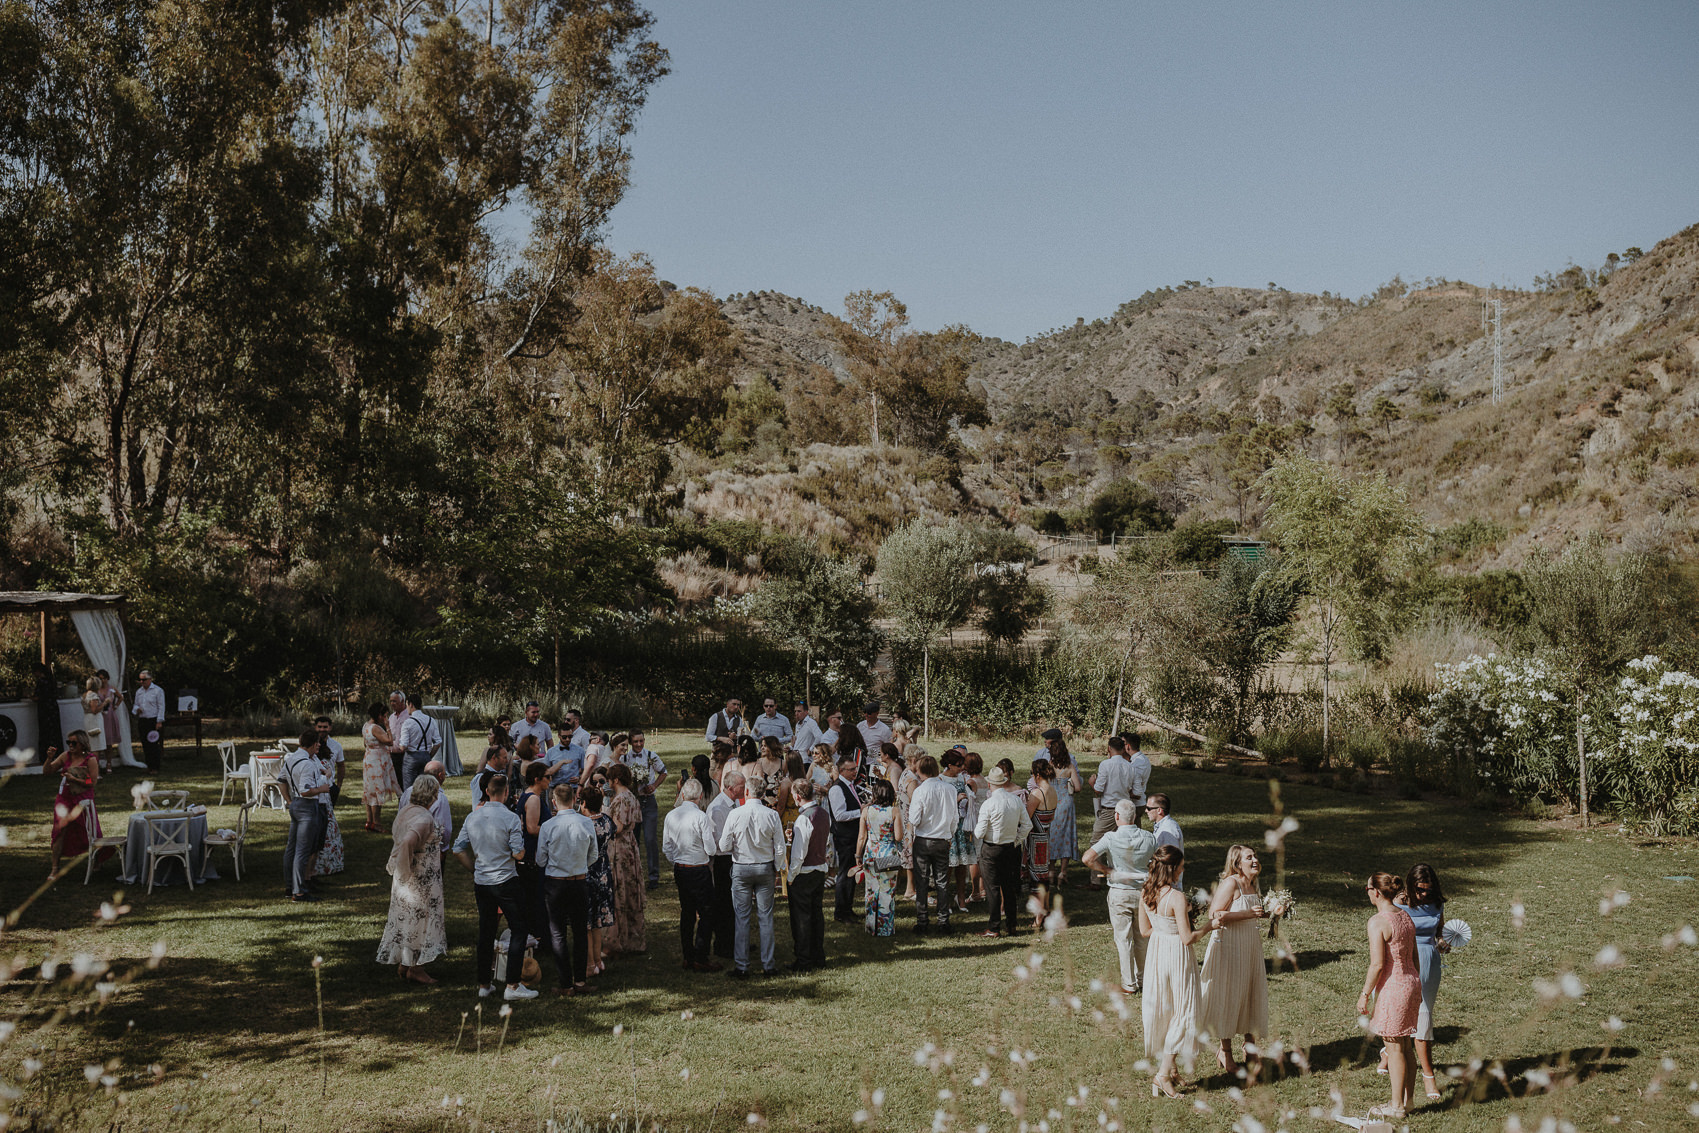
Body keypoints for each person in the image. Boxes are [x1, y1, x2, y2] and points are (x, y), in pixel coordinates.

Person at [452, 774, 537, 1001]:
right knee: (519, 929)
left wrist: (474, 869)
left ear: (487, 792)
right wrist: (512, 853)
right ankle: (513, 985)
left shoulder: (473, 817)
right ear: (506, 792)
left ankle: (484, 984)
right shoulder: (510, 819)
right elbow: (519, 853)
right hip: (506, 880)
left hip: (482, 882)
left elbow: (457, 849)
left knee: (486, 931)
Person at [1199, 845, 1270, 1077]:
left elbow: (1252, 912)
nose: (1255, 860)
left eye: (1255, 856)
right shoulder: (1231, 883)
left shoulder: (1252, 884)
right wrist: (1250, 914)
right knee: (1230, 996)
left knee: (1250, 993)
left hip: (1249, 946)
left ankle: (1250, 1049)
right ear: (1238, 864)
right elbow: (1214, 914)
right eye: (1249, 857)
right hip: (1229, 947)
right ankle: (1225, 1052)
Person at [1139, 844, 1204, 1097]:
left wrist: (1165, 931)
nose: (1183, 868)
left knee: (1168, 1009)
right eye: (1182, 865)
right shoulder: (1177, 898)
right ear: (1173, 868)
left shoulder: (1145, 892)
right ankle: (1162, 1075)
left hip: (1157, 953)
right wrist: (1210, 926)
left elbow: (1145, 931)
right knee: (1185, 1011)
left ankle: (1172, 1069)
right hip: (1177, 954)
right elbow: (1187, 938)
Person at [1358, 871, 1423, 1118]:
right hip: (1412, 982)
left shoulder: (1378, 921)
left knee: (1394, 1047)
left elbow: (1377, 965)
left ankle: (1396, 1107)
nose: (1368, 894)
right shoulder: (1405, 916)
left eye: (1367, 890)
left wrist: (1364, 994)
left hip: (1393, 987)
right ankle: (1409, 1101)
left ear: (1375, 892)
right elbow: (1415, 957)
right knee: (1406, 1046)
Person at [377, 775, 448, 986]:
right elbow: (408, 842)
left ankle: (405, 964)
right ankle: (416, 968)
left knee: (408, 920)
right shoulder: (424, 818)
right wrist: (407, 872)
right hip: (420, 879)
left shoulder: (406, 811)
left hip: (408, 879)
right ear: (433, 795)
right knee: (419, 921)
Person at [1082, 799, 1157, 994]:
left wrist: (1106, 869)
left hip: (1120, 893)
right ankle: (1145, 979)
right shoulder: (1149, 837)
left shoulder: (1110, 837)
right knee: (1142, 938)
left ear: (1116, 816)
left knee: (1124, 939)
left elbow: (1087, 858)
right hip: (1143, 892)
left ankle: (1129, 983)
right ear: (1134, 817)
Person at [718, 769, 788, 977]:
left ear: (747, 791)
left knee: (742, 917)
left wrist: (735, 847)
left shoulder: (735, 814)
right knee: (766, 917)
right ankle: (768, 964)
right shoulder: (772, 815)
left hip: (742, 866)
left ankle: (742, 965)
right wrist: (776, 866)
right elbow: (781, 847)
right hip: (764, 866)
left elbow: (723, 844)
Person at [1392, 863, 1451, 1101]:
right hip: (1406, 959)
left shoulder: (1437, 903)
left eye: (1427, 890)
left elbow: (1439, 932)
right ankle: (1391, 1051)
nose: (1423, 894)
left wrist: (1443, 942)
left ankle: (1427, 1075)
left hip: (1430, 961)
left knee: (1424, 1015)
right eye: (1419, 889)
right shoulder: (1399, 903)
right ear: (1410, 885)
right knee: (1401, 1009)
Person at [536, 783, 598, 996]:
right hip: (579, 881)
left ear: (554, 802)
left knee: (558, 933)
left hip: (556, 882)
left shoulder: (548, 826)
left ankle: (565, 983)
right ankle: (579, 981)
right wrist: (579, 865)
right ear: (574, 800)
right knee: (580, 931)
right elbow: (594, 854)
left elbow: (540, 859)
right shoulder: (586, 823)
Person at [663, 778, 721, 973]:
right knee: (707, 912)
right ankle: (700, 955)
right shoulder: (701, 817)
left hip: (681, 868)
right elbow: (711, 848)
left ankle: (688, 955)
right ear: (701, 796)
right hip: (698, 868)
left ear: (683, 795)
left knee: (687, 912)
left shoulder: (671, 815)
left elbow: (667, 847)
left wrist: (678, 861)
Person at [974, 765, 1032, 938]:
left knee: (992, 889)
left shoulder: (989, 804)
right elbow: (1027, 825)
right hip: (1011, 848)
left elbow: (979, 832)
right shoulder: (1015, 800)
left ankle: (994, 927)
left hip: (992, 848)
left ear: (990, 784)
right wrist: (1016, 839)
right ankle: (1012, 925)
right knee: (1009, 887)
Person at [45, 731, 108, 877]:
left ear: (83, 743)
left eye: (74, 743)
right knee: (59, 831)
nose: (71, 746)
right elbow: (47, 771)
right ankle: (55, 867)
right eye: (69, 742)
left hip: (83, 799)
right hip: (64, 798)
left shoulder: (90, 759)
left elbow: (91, 782)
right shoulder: (65, 756)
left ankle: (97, 859)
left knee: (90, 830)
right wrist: (49, 759)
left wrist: (73, 779)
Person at [906, 753, 956, 933]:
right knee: (942, 882)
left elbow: (914, 818)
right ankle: (943, 921)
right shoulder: (949, 790)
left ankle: (923, 921)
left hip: (924, 839)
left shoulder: (920, 791)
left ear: (921, 771)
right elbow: (954, 817)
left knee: (922, 881)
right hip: (942, 838)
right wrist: (949, 834)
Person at [280, 732, 332, 902]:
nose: (319, 746)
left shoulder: (290, 759)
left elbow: (281, 780)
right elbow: (305, 790)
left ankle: (290, 886)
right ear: (311, 744)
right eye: (317, 743)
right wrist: (322, 789)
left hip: (295, 804)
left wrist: (289, 801)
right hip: (307, 806)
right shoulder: (308, 764)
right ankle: (299, 891)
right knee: (303, 851)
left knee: (291, 848)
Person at [603, 763, 648, 955]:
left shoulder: (621, 799)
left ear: (616, 780)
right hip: (630, 845)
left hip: (620, 848)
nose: (608, 782)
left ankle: (620, 939)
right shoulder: (631, 796)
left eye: (610, 779)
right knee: (630, 889)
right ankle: (632, 937)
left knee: (620, 889)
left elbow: (618, 827)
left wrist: (604, 816)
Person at [787, 779, 831, 970]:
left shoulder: (804, 818)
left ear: (797, 796)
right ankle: (818, 955)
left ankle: (804, 959)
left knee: (802, 919)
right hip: (820, 869)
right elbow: (825, 841)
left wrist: (790, 877)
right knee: (816, 915)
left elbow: (798, 854)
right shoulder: (823, 813)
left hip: (804, 872)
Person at [856, 777, 903, 937]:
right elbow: (898, 837)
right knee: (887, 891)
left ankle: (871, 927)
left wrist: (857, 854)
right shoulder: (894, 811)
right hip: (888, 853)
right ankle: (885, 928)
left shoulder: (866, 811)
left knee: (871, 890)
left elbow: (861, 837)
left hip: (870, 853)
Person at [621, 729, 667, 888]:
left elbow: (663, 772)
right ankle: (633, 875)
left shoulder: (651, 756)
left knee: (650, 839)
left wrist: (654, 785)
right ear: (630, 743)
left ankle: (653, 877)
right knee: (633, 839)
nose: (639, 744)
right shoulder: (624, 758)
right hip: (632, 803)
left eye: (641, 741)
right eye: (635, 742)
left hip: (648, 802)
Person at [1087, 736, 1135, 887]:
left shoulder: (1105, 764)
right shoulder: (1130, 766)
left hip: (1109, 810)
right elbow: (1136, 791)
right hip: (1125, 808)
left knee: (1096, 841)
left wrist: (1091, 783)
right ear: (1123, 749)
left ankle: (1096, 880)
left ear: (1109, 748)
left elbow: (1099, 790)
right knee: (1121, 843)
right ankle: (1119, 876)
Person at [706, 770, 744, 959]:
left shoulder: (734, 802)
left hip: (733, 857)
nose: (744, 790)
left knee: (736, 902)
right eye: (741, 787)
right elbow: (720, 842)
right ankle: (723, 944)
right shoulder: (718, 808)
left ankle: (736, 939)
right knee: (724, 903)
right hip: (723, 860)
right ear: (730, 788)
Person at [580, 784, 614, 976]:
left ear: (584, 804)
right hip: (603, 871)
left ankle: (590, 963)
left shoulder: (584, 824)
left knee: (586, 921)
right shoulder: (607, 821)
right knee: (598, 922)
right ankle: (599, 961)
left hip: (587, 872)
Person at [826, 756, 863, 923]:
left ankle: (848, 908)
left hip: (852, 835)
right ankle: (841, 912)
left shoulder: (850, 785)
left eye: (855, 768)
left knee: (852, 872)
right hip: (845, 837)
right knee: (845, 873)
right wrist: (861, 812)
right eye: (851, 769)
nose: (855, 771)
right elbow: (839, 815)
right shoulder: (837, 789)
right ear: (841, 771)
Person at [1046, 737, 1083, 887]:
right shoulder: (1069, 767)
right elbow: (1078, 787)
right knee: (1066, 835)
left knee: (1053, 835)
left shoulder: (1049, 766)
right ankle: (1063, 872)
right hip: (1066, 803)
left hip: (1053, 802)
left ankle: (1051, 871)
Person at [361, 703, 402, 833]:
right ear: (378, 715)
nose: (386, 718)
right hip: (377, 761)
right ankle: (377, 823)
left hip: (369, 758)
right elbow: (389, 741)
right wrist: (388, 727)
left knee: (369, 790)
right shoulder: (375, 728)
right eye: (384, 715)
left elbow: (364, 743)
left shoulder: (365, 726)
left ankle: (369, 821)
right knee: (378, 790)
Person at [1024, 758, 1057, 921]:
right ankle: (1046, 907)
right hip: (1046, 836)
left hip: (1036, 840)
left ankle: (1038, 916)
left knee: (1036, 876)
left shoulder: (1037, 794)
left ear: (1037, 775)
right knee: (1043, 875)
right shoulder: (1053, 791)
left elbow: (1026, 818)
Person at [315, 734, 346, 876]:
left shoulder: (317, 763)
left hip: (320, 799)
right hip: (326, 798)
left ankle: (319, 866)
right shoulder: (324, 762)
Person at [398, 693, 440, 792]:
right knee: (424, 788)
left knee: (409, 789)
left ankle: (410, 807)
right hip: (426, 756)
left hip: (411, 758)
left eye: (406, 705)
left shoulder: (408, 723)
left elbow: (403, 747)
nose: (406, 707)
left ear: (411, 704)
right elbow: (438, 742)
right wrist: (429, 755)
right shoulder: (431, 720)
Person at [132, 669, 167, 772]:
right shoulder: (139, 692)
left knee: (153, 744)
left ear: (150, 679)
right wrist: (136, 710)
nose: (142, 682)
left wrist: (159, 721)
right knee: (145, 744)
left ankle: (155, 766)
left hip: (153, 720)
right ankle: (149, 765)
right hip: (143, 720)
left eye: (144, 680)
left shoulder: (158, 691)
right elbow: (135, 705)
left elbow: (161, 706)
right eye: (140, 680)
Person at [422, 760, 453, 851]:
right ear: (440, 776)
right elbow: (443, 829)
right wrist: (443, 848)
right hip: (430, 849)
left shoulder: (407, 792)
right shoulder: (440, 798)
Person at [96, 670, 122, 770]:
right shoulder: (96, 690)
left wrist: (115, 706)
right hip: (99, 715)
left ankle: (109, 763)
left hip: (109, 716)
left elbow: (120, 697)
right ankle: (97, 763)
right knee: (99, 740)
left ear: (107, 678)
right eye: (100, 678)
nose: (103, 680)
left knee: (109, 741)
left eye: (104, 678)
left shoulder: (112, 689)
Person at [80, 677, 107, 770]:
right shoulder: (93, 696)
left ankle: (91, 768)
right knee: (95, 746)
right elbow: (94, 710)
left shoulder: (85, 695)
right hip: (94, 721)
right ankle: (95, 770)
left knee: (91, 745)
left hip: (88, 719)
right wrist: (104, 703)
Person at [386, 691, 411, 788]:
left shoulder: (409, 716)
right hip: (393, 755)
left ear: (403, 701)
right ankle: (401, 802)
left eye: (395, 701)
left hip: (405, 755)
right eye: (391, 701)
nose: (392, 703)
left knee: (406, 783)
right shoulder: (391, 717)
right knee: (397, 783)